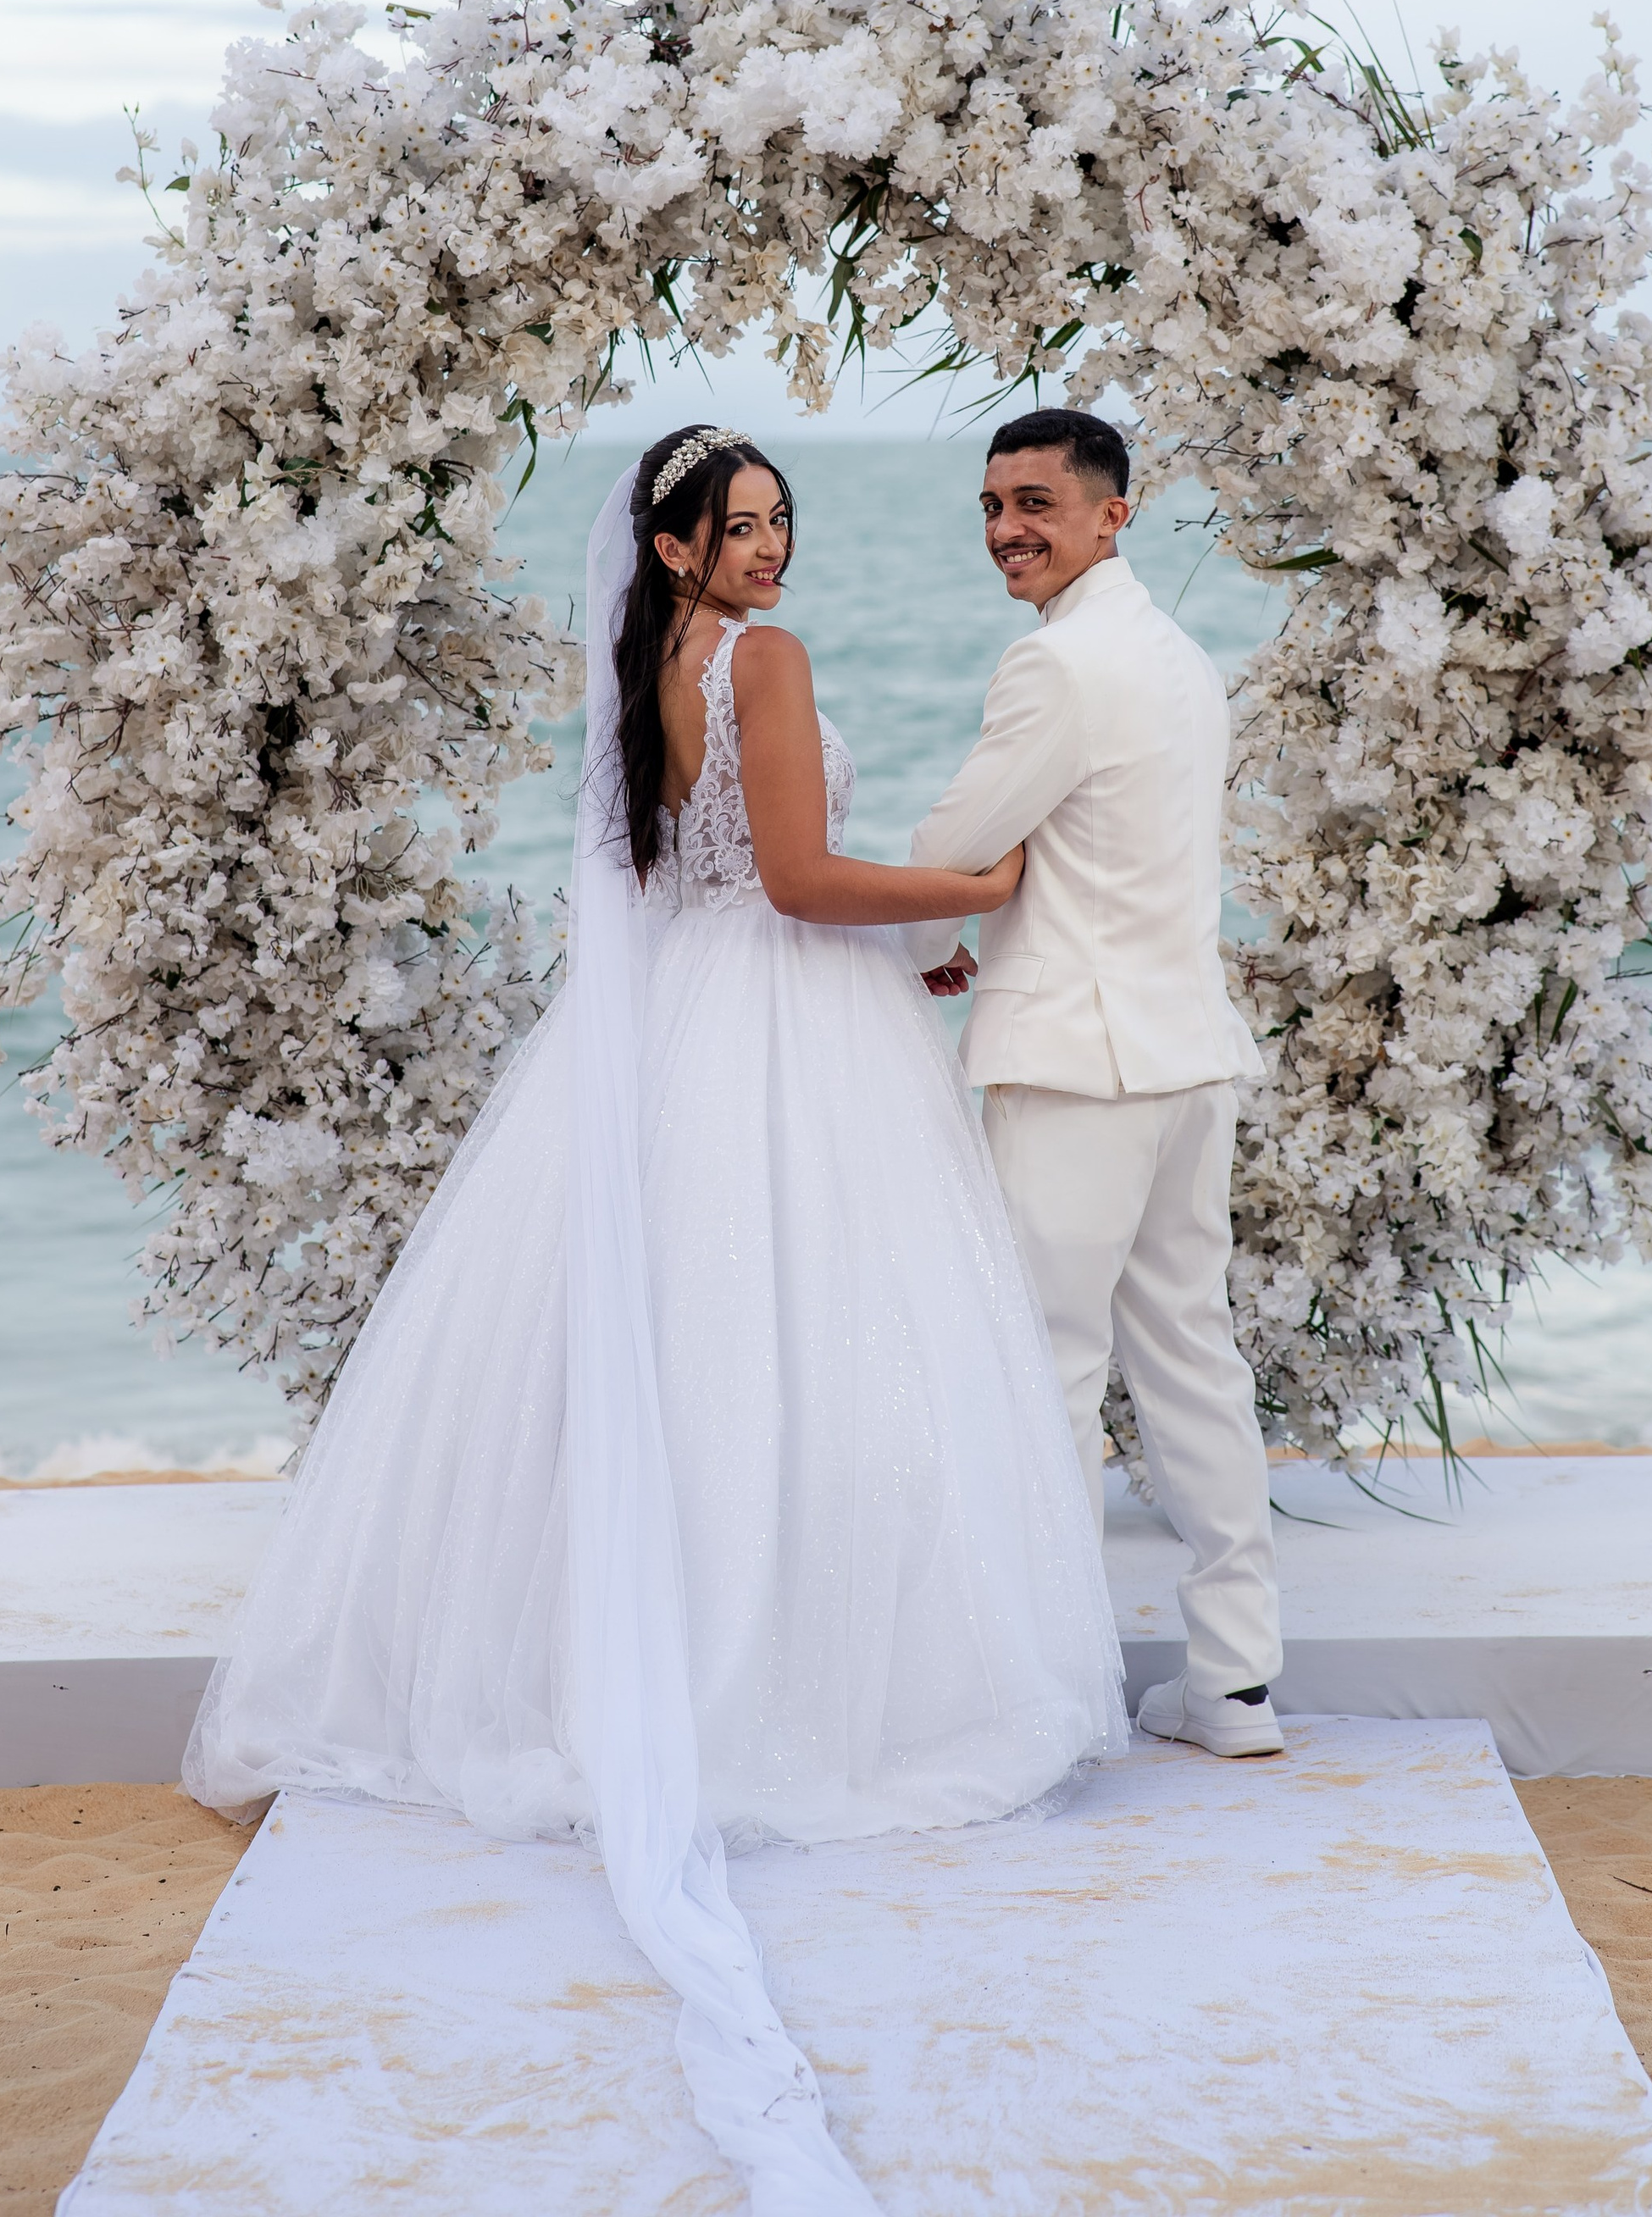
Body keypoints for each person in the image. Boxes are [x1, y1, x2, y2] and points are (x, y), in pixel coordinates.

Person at [185, 423, 1127, 2213]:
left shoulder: (651, 673)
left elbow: (688, 877)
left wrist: (893, 933)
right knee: (808, 1350)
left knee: (684, 1355)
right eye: (737, 528)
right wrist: (970, 894)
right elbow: (793, 881)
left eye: (780, 523)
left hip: (677, 1024)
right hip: (779, 1023)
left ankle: (640, 1649)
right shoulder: (760, 662)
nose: (771, 553)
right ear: (676, 548)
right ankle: (782, 1680)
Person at [907, 406, 1284, 1760]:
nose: (1009, 529)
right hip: (1189, 1056)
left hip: (1077, 1063)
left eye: (1038, 505)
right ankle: (1236, 1684)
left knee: (1049, 1375)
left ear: (1113, 514)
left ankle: (1058, 1698)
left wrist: (927, 945)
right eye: (995, 506)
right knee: (1193, 1360)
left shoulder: (1055, 668)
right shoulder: (1180, 659)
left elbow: (957, 840)